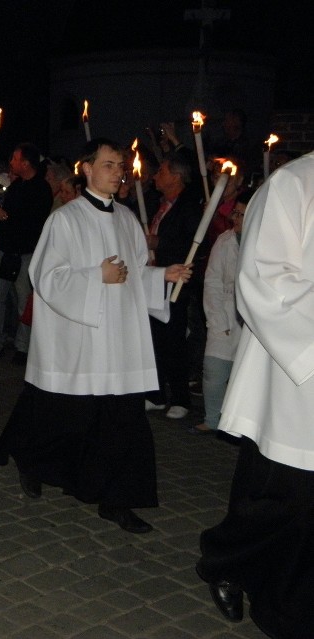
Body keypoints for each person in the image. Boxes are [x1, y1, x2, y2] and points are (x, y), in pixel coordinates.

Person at [0, 139, 192, 534]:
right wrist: (94, 276)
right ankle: (31, 462)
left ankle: (117, 499)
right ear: (86, 168)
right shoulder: (65, 220)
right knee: (64, 416)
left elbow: (134, 272)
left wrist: (160, 275)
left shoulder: (128, 219)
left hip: (119, 337)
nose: (117, 172)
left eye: (121, 165)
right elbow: (46, 277)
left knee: (123, 421)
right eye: (108, 164)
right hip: (79, 337)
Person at [196, 151, 314, 638]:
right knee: (280, 497)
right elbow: (263, 280)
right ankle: (226, 561)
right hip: (294, 375)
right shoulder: (295, 183)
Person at [144, 151, 203, 419]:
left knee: (173, 338)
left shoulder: (188, 207)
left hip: (176, 279)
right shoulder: (161, 203)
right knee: (155, 337)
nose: (156, 176)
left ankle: (180, 397)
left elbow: (194, 244)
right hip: (156, 277)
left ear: (176, 177)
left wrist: (159, 243)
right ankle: (156, 393)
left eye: (162, 172)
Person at [0, 142, 53, 361]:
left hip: (25, 254)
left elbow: (33, 221)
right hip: (3, 250)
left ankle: (24, 347)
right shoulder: (15, 186)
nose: (11, 162)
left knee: (24, 302)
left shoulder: (41, 189)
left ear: (25, 163)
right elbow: (8, 214)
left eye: (15, 158)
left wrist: (7, 216)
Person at [190, 189, 251, 435]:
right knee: (214, 372)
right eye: (235, 213)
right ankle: (213, 418)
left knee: (244, 376)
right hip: (225, 314)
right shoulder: (224, 242)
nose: (236, 218)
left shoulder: (265, 241)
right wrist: (216, 319)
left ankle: (240, 425)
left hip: (249, 322)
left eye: (242, 214)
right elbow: (213, 281)